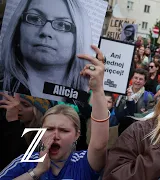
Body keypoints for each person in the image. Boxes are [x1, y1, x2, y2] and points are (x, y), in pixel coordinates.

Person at [0, 45, 109, 179]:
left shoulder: (83, 163)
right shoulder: (25, 163)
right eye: (49, 129)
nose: (55, 135)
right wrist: (37, 171)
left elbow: (99, 145)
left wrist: (97, 89)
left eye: (64, 130)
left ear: (77, 135)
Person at [0, 0, 92, 101]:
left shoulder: (86, 99)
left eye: (62, 25)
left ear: (79, 38)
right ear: (17, 27)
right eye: (35, 19)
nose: (46, 31)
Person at [0, 93, 51, 171]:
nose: (18, 108)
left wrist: (13, 122)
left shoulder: (42, 135)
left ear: (38, 111)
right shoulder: (10, 125)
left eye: (25, 105)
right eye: (17, 104)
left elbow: (17, 162)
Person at [115, 68, 155, 135]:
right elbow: (117, 109)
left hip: (139, 132)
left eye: (141, 79)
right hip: (122, 130)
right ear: (132, 79)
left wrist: (133, 116)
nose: (137, 81)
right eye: (135, 78)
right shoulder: (123, 93)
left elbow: (151, 115)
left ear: (145, 82)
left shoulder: (148, 97)